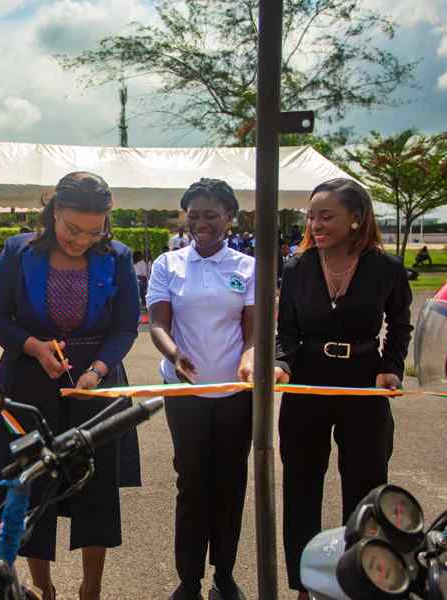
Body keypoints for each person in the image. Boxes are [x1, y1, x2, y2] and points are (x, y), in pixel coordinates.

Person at [0, 171, 141, 600]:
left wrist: (100, 369)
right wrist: (33, 346)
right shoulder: (18, 251)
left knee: (97, 485)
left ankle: (92, 587)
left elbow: (126, 326)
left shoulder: (118, 257)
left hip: (95, 382)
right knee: (30, 484)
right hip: (28, 380)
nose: (82, 240)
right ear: (53, 212)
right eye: (73, 229)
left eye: (94, 231)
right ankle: (42, 587)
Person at [267, 178, 413, 600]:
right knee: (301, 488)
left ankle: (361, 583)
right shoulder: (296, 268)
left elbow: (400, 323)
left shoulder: (386, 268)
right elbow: (286, 331)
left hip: (364, 384)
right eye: (311, 216)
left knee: (366, 492)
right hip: (307, 383)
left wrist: (391, 368)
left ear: (356, 219)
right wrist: (281, 364)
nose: (315, 224)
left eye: (326, 216)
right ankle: (304, 586)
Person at [146, 178, 254, 600]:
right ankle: (188, 579)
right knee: (191, 484)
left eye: (211, 215)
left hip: (235, 394)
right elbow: (158, 323)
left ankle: (224, 575)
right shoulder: (167, 264)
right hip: (184, 393)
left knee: (230, 483)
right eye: (194, 216)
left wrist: (249, 358)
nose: (201, 223)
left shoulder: (248, 267)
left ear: (230, 218)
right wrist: (175, 355)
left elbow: (252, 332)